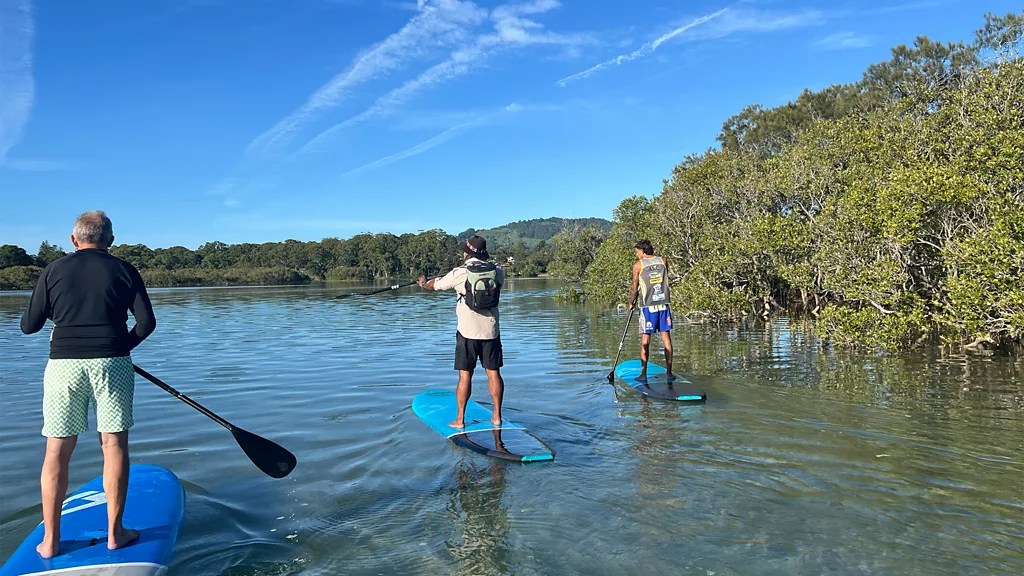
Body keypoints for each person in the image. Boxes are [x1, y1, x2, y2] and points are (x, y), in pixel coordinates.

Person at [20, 210, 156, 559]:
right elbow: (146, 324)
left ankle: (50, 542)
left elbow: (29, 326)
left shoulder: (53, 270)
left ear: (73, 239)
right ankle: (116, 533)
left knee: (56, 451)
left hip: (63, 366)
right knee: (113, 446)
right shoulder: (125, 269)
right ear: (110, 240)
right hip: (112, 363)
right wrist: (118, 347)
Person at [418, 235, 505, 428]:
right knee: (494, 373)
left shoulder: (460, 272)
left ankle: (460, 420)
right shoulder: (497, 271)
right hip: (491, 331)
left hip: (467, 332)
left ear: (468, 253)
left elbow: (437, 286)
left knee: (465, 375)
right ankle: (497, 416)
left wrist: (424, 283)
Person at [629, 239, 674, 382]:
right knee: (666, 339)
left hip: (648, 307)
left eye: (637, 251)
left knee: (645, 340)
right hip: (663, 304)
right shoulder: (663, 261)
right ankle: (669, 373)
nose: (637, 254)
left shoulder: (638, 265)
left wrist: (631, 302)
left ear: (642, 251)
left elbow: (635, 287)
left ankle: (643, 375)